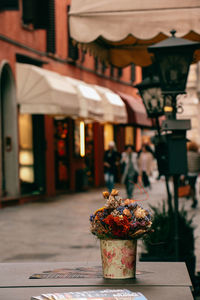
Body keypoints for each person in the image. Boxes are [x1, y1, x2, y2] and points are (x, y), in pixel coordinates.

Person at [187, 141, 200, 208]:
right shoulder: (198, 154)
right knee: (193, 184)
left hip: (189, 173)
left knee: (192, 186)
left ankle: (194, 198)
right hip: (196, 172)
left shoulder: (186, 154)